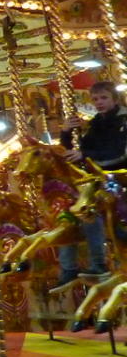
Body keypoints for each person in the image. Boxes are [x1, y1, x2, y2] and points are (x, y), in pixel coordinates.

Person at [57, 80, 126, 285]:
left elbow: (119, 153)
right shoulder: (96, 123)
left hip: (118, 176)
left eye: (104, 98)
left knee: (90, 210)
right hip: (98, 177)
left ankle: (99, 263)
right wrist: (66, 132)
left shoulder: (123, 121)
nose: (99, 102)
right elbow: (76, 151)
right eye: (95, 99)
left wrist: (84, 154)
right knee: (68, 211)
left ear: (115, 99)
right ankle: (68, 267)